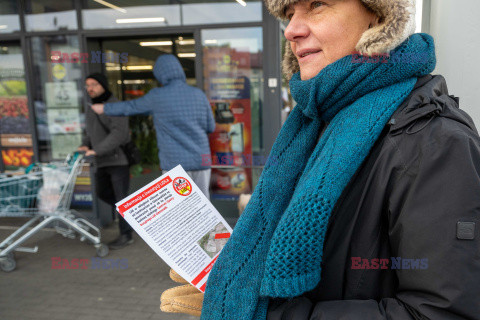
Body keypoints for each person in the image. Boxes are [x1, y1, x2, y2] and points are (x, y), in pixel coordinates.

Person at [159, 0, 480, 319]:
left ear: (378, 16)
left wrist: (264, 314)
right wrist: (235, 277)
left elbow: (441, 312)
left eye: (316, 5)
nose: (292, 30)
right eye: (288, 14)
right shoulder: (314, 120)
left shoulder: (435, 142)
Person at [91, 54, 216, 199]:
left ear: (160, 74)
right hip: (201, 160)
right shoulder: (198, 94)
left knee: (180, 209)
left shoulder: (157, 96)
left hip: (175, 163)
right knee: (203, 206)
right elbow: (210, 127)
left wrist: (104, 108)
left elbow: (130, 107)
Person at [78, 73, 134, 250]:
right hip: (101, 161)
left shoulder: (115, 106)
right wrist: (85, 145)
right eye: (88, 85)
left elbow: (119, 134)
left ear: (103, 85)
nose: (90, 88)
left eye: (94, 84)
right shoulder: (91, 106)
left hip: (117, 161)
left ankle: (126, 234)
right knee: (103, 193)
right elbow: (91, 132)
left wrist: (97, 150)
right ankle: (132, 216)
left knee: (121, 199)